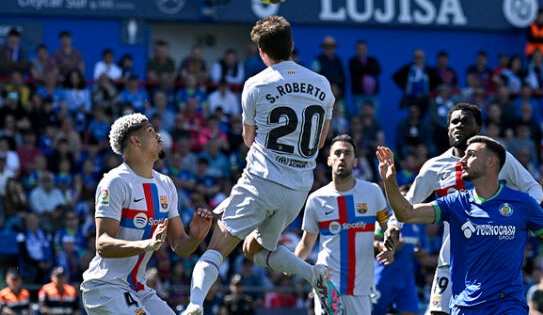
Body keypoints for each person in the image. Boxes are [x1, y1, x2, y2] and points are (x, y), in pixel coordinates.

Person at [183, 16, 341, 315]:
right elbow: (321, 142)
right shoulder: (322, 84)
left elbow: (248, 138)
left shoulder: (256, 84)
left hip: (262, 179)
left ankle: (195, 304)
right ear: (292, 46)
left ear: (261, 52)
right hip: (299, 187)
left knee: (218, 244)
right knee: (255, 251)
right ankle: (315, 275)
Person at [376, 137, 543, 314]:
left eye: (470, 154)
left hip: (507, 304)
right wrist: (389, 181)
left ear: (491, 162)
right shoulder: (456, 203)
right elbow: (406, 213)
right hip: (465, 304)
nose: (462, 160)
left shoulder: (522, 203)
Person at [387, 103, 543, 315]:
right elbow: (409, 204)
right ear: (448, 129)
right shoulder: (434, 167)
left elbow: (533, 188)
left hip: (492, 263)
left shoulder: (497, 159)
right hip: (450, 261)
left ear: (478, 129)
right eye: (454, 122)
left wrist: (524, 214)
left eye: (466, 121)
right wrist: (393, 226)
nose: (459, 125)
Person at [80, 113, 213, 314]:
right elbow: (102, 244)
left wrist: (195, 236)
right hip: (105, 288)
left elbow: (181, 247)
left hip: (138, 289)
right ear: (136, 140)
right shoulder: (116, 182)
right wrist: (146, 244)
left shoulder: (166, 185)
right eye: (151, 131)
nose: (159, 136)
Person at [294, 134, 394, 314]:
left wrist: (390, 247)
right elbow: (307, 243)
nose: (342, 158)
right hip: (327, 284)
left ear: (355, 161)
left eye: (347, 153)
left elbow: (389, 229)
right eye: (337, 153)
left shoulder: (372, 192)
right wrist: (290, 264)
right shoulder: (316, 199)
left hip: (360, 288)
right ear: (330, 160)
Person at [372, 185, 423, 315]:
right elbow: (373, 242)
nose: (405, 199)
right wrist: (386, 245)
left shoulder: (417, 222)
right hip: (384, 278)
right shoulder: (386, 219)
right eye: (402, 196)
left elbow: (418, 248)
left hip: (406, 280)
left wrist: (419, 253)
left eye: (408, 196)